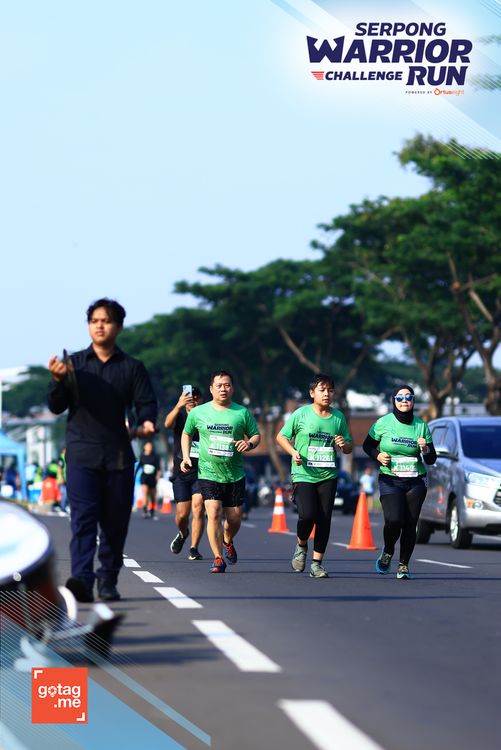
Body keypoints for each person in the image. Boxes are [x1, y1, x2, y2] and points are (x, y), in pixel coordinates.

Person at [47, 297, 157, 603]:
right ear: (88, 325)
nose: (99, 326)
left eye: (106, 321)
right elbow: (56, 406)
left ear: (118, 327)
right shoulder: (74, 365)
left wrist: (147, 422)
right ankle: (82, 580)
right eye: (94, 321)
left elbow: (146, 404)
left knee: (114, 524)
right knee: (82, 521)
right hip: (81, 455)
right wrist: (58, 381)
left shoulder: (132, 367)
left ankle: (108, 579)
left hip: (119, 457)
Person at [181, 371, 260, 573]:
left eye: (227, 385)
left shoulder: (241, 412)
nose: (223, 389)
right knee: (214, 512)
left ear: (232, 388)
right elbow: (186, 433)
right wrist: (186, 457)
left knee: (234, 518)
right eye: (219, 385)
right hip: (208, 472)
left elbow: (255, 435)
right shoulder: (198, 412)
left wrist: (249, 444)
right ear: (211, 389)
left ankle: (227, 540)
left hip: (235, 474)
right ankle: (218, 558)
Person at [276, 373, 352, 578]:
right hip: (303, 474)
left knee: (324, 518)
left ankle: (317, 563)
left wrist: (343, 444)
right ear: (312, 393)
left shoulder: (338, 417)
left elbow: (348, 447)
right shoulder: (301, 414)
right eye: (322, 390)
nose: (327, 394)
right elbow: (281, 437)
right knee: (308, 515)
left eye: (330, 390)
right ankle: (301, 545)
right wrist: (293, 452)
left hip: (328, 474)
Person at [362, 385, 437, 580]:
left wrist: (425, 449)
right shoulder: (383, 423)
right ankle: (388, 551)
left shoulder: (421, 426)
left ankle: (404, 565)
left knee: (410, 524)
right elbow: (367, 445)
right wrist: (378, 456)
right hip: (390, 479)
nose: (405, 401)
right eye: (400, 398)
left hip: (416, 480)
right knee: (394, 520)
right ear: (393, 400)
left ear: (413, 401)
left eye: (409, 397)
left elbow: (431, 459)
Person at [164, 387, 205, 560]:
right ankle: (183, 533)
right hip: (181, 471)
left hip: (201, 471)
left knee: (198, 508)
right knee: (182, 515)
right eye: (189, 397)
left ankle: (194, 548)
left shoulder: (205, 417)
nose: (192, 401)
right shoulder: (180, 416)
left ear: (200, 400)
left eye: (196, 397)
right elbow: (167, 424)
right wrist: (178, 405)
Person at [138, 441, 161, 520]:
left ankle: (152, 511)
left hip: (152, 477)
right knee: (145, 492)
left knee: (152, 495)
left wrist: (158, 475)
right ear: (144, 447)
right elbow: (139, 466)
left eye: (150, 446)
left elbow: (158, 468)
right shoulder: (142, 456)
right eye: (147, 446)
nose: (149, 447)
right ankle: (145, 510)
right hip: (144, 477)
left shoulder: (155, 456)